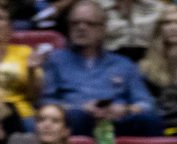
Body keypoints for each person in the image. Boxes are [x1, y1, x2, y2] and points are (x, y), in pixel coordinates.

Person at [43, 0, 158, 135]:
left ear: (103, 29)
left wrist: (125, 109)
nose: (81, 28)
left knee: (149, 120)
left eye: (89, 24)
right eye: (75, 23)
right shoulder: (56, 60)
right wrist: (79, 108)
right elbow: (46, 101)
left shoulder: (123, 64)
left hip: (118, 122)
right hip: (76, 122)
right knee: (77, 117)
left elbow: (146, 103)